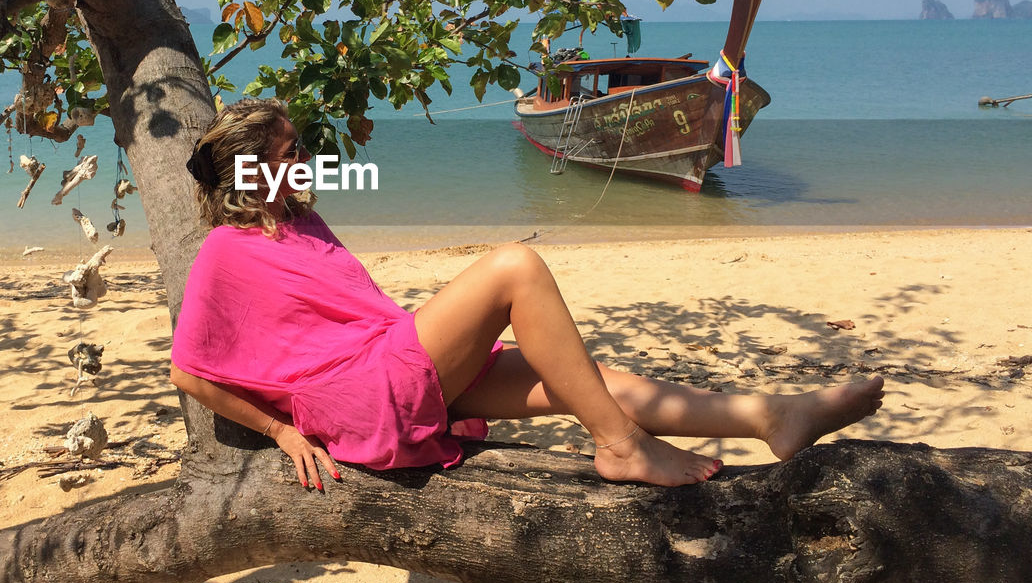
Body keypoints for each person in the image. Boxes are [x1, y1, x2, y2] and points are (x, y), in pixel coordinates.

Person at [170, 98, 884, 491]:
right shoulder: (224, 254)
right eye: (292, 151)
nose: (307, 159)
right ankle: (620, 447)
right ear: (251, 171)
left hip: (388, 366)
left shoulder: (300, 221)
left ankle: (770, 416)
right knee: (516, 266)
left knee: (588, 381)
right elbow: (188, 371)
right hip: (358, 395)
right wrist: (280, 430)